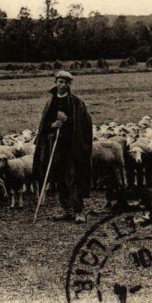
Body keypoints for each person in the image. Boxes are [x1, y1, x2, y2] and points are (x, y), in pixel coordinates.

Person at [33, 70, 93, 222]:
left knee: (72, 178)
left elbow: (85, 123)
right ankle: (67, 210)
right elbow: (44, 126)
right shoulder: (50, 103)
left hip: (71, 147)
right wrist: (53, 124)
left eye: (66, 83)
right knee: (59, 179)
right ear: (56, 83)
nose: (62, 85)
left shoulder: (76, 103)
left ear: (69, 84)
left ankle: (79, 211)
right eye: (60, 82)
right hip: (54, 147)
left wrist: (68, 122)